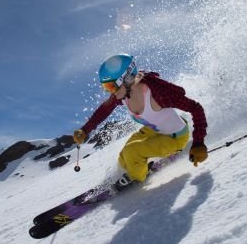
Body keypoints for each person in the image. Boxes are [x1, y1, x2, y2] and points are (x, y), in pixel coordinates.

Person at [73, 54, 208, 189]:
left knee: (133, 152)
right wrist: (85, 130)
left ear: (126, 79)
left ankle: (137, 178)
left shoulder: (158, 94)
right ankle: (135, 169)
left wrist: (198, 143)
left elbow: (196, 109)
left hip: (176, 136)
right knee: (124, 155)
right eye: (106, 88)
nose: (111, 93)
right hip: (156, 129)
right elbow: (105, 109)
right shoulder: (123, 94)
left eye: (111, 87)